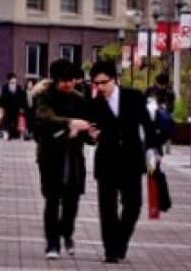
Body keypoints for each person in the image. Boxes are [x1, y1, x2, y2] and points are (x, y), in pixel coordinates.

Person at [87, 59, 158, 264]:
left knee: (133, 205)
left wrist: (152, 151)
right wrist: (91, 136)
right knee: (107, 208)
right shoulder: (94, 104)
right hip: (106, 160)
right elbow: (88, 132)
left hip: (131, 160)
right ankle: (110, 250)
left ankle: (121, 241)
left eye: (103, 82)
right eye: (96, 83)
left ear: (114, 79)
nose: (100, 87)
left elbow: (148, 125)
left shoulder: (133, 97)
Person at [33, 58, 94, 260]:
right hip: (50, 155)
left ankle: (67, 233)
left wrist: (91, 134)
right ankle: (52, 244)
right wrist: (70, 124)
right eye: (63, 80)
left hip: (74, 157)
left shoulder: (80, 99)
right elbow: (44, 119)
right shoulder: (44, 96)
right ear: (55, 80)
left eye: (71, 80)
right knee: (52, 200)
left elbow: (88, 127)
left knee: (72, 202)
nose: (68, 84)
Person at [0, 73, 28, 140]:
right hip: (7, 108)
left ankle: (15, 134)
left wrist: (22, 107)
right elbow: (2, 97)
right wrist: (1, 107)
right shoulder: (5, 87)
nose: (13, 80)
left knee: (15, 121)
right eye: (12, 79)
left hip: (16, 108)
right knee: (7, 121)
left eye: (14, 79)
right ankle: (8, 134)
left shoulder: (18, 87)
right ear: (9, 80)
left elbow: (22, 98)